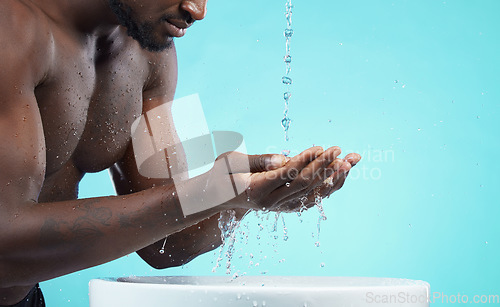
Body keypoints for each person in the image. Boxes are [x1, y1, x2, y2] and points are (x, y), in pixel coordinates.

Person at [0, 0, 361, 305]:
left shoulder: (149, 56)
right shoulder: (11, 29)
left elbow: (168, 244)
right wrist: (206, 192)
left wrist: (242, 197)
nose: (197, 9)